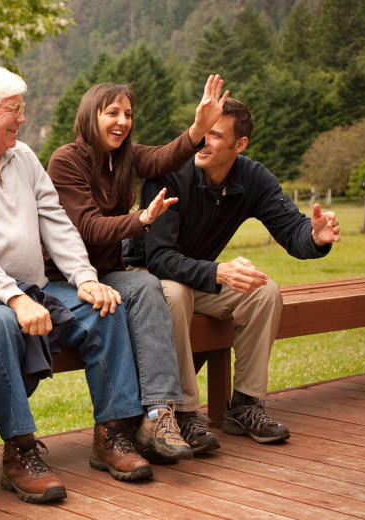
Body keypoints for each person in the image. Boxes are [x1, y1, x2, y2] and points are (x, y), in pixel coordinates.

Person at [0, 64, 192, 503]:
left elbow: (57, 224)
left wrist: (84, 278)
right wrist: (13, 297)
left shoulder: (23, 157)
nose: (22, 119)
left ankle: (111, 433)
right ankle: (20, 451)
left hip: (37, 286)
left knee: (108, 305)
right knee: (4, 325)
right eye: (13, 110)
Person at [124, 98, 340, 446]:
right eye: (202, 132)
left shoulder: (253, 178)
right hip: (146, 274)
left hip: (199, 275)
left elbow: (291, 230)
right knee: (176, 294)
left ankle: (245, 404)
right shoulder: (169, 174)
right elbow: (160, 258)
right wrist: (220, 272)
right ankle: (184, 413)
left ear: (239, 145)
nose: (202, 142)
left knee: (264, 292)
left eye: (215, 135)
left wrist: (314, 236)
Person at [46, 77, 229, 455]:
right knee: (115, 303)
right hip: (65, 279)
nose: (122, 121)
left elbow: (164, 157)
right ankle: (121, 425)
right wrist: (142, 220)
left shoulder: (125, 157)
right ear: (90, 115)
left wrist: (198, 128)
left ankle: (159, 416)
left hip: (110, 273)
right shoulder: (66, 160)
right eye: (112, 112)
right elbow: (89, 227)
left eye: (128, 114)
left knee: (148, 286)